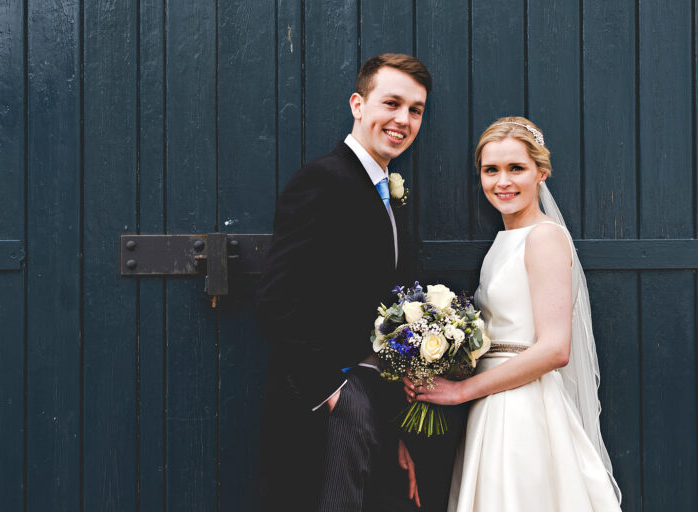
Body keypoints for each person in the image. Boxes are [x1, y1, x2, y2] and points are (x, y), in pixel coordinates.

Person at [404, 117, 622, 511]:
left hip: (523, 410)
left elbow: (555, 349)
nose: (502, 181)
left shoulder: (544, 238)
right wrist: (440, 369)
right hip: (494, 404)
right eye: (491, 170)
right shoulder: (505, 241)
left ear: (542, 172)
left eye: (515, 168)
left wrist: (459, 392)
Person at [255, 53, 431, 511]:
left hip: (375, 402)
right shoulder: (322, 181)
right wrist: (336, 396)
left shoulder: (389, 193)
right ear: (358, 104)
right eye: (391, 103)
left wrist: (390, 426)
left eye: (415, 110)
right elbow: (276, 299)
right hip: (325, 402)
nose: (403, 119)